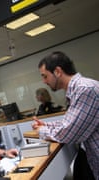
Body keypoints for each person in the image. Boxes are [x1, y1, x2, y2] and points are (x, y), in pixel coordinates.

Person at [31, 51, 99, 180]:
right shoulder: (77, 90)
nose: (44, 81)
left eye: (45, 76)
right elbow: (69, 122)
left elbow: (68, 133)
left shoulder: (85, 89)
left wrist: (42, 131)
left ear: (57, 71)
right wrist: (47, 124)